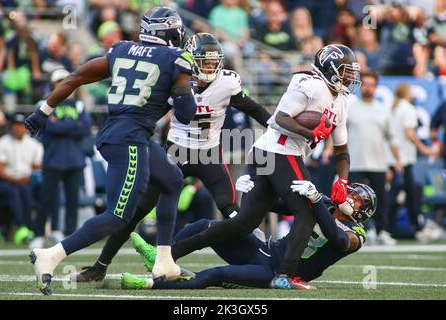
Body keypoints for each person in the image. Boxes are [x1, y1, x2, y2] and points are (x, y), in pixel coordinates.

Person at [69, 32, 271, 283]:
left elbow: (252, 107)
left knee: (232, 212)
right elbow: (151, 113)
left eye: (212, 62)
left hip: (209, 154)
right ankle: (100, 265)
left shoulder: (228, 83)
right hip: (176, 151)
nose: (209, 67)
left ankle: (260, 258)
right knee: (137, 210)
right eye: (204, 61)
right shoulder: (176, 76)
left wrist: (274, 127)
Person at [24, 6, 197, 295]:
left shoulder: (122, 50)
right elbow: (187, 113)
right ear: (170, 32)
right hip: (129, 139)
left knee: (172, 179)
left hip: (118, 131)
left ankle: (165, 261)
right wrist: (187, 86)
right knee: (118, 215)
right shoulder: (174, 59)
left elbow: (74, 78)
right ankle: (51, 255)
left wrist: (43, 111)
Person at [160, 44, 361, 290]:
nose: (350, 77)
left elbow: (341, 149)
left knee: (243, 223)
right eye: (345, 71)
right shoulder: (310, 85)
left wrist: (342, 179)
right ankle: (284, 275)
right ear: (329, 69)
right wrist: (309, 131)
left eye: (351, 72)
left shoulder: (342, 101)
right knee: (307, 212)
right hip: (278, 150)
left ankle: (169, 255)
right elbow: (279, 118)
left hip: (277, 152)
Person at [120, 180, 376, 290]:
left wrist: (318, 201)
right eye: (351, 193)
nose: (350, 199)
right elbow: (274, 205)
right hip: (263, 251)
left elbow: (338, 239)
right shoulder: (327, 204)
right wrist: (252, 191)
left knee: (216, 275)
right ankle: (162, 255)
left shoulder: (356, 233)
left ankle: (152, 283)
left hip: (276, 273)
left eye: (357, 200)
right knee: (205, 226)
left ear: (364, 212)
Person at [30, 69, 92, 249]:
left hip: (75, 159)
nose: (63, 84)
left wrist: (61, 125)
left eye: (65, 81)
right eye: (59, 81)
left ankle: (69, 234)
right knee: (46, 198)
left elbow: (85, 129)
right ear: (52, 84)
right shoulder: (45, 104)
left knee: (73, 200)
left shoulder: (79, 106)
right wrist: (73, 125)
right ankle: (39, 234)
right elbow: (49, 127)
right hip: (53, 158)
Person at [347, 71, 401, 245]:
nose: (368, 88)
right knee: (354, 201)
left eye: (372, 84)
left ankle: (382, 231)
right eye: (366, 84)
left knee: (380, 200)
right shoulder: (351, 109)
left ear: (376, 87)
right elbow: (340, 135)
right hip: (355, 162)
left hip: (378, 163)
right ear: (361, 86)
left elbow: (392, 139)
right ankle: (362, 230)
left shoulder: (383, 111)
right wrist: (328, 151)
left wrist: (396, 161)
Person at [387, 83, 439, 243]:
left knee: (406, 193)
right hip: (402, 159)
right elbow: (410, 134)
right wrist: (424, 149)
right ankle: (386, 228)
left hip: (393, 157)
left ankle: (414, 227)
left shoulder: (394, 107)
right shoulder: (408, 108)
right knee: (398, 194)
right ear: (407, 93)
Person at [0, 114, 43, 244]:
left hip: (26, 180)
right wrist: (15, 180)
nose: (19, 129)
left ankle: (28, 229)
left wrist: (29, 177)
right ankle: (22, 227)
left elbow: (38, 166)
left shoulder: (33, 144)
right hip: (4, 181)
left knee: (24, 189)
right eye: (16, 125)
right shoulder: (2, 143)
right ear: (11, 127)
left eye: (22, 126)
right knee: (15, 190)